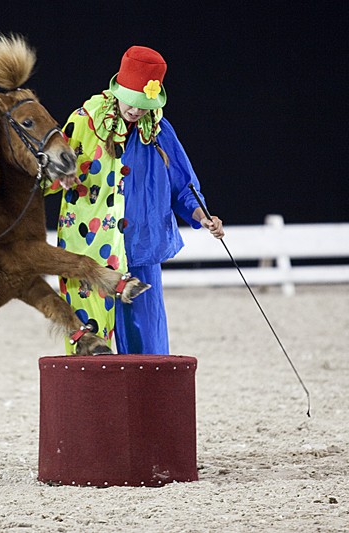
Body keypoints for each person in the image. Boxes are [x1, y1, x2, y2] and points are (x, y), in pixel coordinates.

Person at [50, 45, 223, 354]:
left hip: (140, 247)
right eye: (131, 101)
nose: (136, 110)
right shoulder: (83, 122)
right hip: (91, 251)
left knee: (148, 343)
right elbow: (49, 176)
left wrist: (201, 215)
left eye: (143, 104)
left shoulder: (158, 131)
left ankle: (148, 401)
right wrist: (61, 176)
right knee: (89, 340)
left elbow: (183, 186)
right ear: (118, 90)